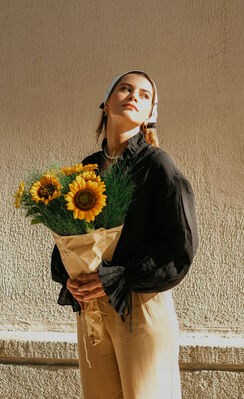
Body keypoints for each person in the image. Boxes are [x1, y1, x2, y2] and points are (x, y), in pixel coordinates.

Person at [51, 70, 199, 399]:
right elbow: (65, 236)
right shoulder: (86, 169)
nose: (134, 96)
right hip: (92, 310)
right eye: (125, 89)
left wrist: (117, 277)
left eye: (145, 95)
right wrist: (70, 278)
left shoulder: (158, 165)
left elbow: (180, 248)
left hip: (141, 307)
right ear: (106, 103)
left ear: (150, 114)